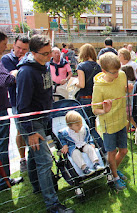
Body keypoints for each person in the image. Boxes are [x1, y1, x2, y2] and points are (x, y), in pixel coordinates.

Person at [16, 34, 74, 212]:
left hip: (43, 118)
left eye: (50, 52)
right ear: (33, 53)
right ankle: (53, 205)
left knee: (35, 157)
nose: (50, 56)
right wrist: (31, 131)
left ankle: (37, 187)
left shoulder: (45, 65)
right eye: (46, 53)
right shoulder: (26, 72)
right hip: (31, 123)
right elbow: (22, 106)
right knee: (45, 161)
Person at [92, 52, 132, 190]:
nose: (117, 75)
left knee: (124, 150)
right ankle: (114, 177)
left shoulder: (121, 75)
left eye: (118, 70)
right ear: (103, 71)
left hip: (122, 121)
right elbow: (94, 109)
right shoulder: (99, 87)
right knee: (111, 152)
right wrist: (104, 110)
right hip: (108, 125)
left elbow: (123, 89)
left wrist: (128, 89)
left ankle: (112, 170)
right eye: (113, 72)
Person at [1, 35, 29, 173]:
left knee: (31, 129)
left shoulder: (29, 58)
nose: (21, 51)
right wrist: (21, 70)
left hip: (30, 102)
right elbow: (9, 80)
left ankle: (33, 159)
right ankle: (22, 159)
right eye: (18, 48)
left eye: (24, 49)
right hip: (16, 102)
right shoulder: (6, 59)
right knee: (20, 131)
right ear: (13, 45)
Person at [0, 31, 24, 191]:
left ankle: (5, 179)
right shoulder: (4, 60)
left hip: (5, 106)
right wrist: (16, 72)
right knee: (3, 144)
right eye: (4, 44)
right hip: (7, 107)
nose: (5, 47)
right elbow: (6, 80)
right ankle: (4, 181)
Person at [58, 111, 104, 175]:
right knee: (75, 154)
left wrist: (91, 142)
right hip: (74, 147)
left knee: (89, 148)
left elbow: (88, 136)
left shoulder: (84, 128)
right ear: (70, 126)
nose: (80, 125)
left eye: (81, 123)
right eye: (77, 125)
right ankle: (84, 168)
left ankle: (96, 163)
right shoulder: (65, 133)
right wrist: (65, 145)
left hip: (83, 144)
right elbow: (62, 139)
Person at [76, 43, 102, 128]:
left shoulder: (81, 66)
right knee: (93, 123)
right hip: (95, 98)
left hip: (84, 98)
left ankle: (94, 141)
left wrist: (75, 84)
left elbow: (82, 84)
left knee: (86, 125)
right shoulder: (98, 66)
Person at [121, 65, 137, 132]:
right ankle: (126, 131)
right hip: (133, 103)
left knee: (129, 118)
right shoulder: (134, 82)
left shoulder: (127, 84)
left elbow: (126, 95)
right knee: (128, 119)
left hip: (129, 104)